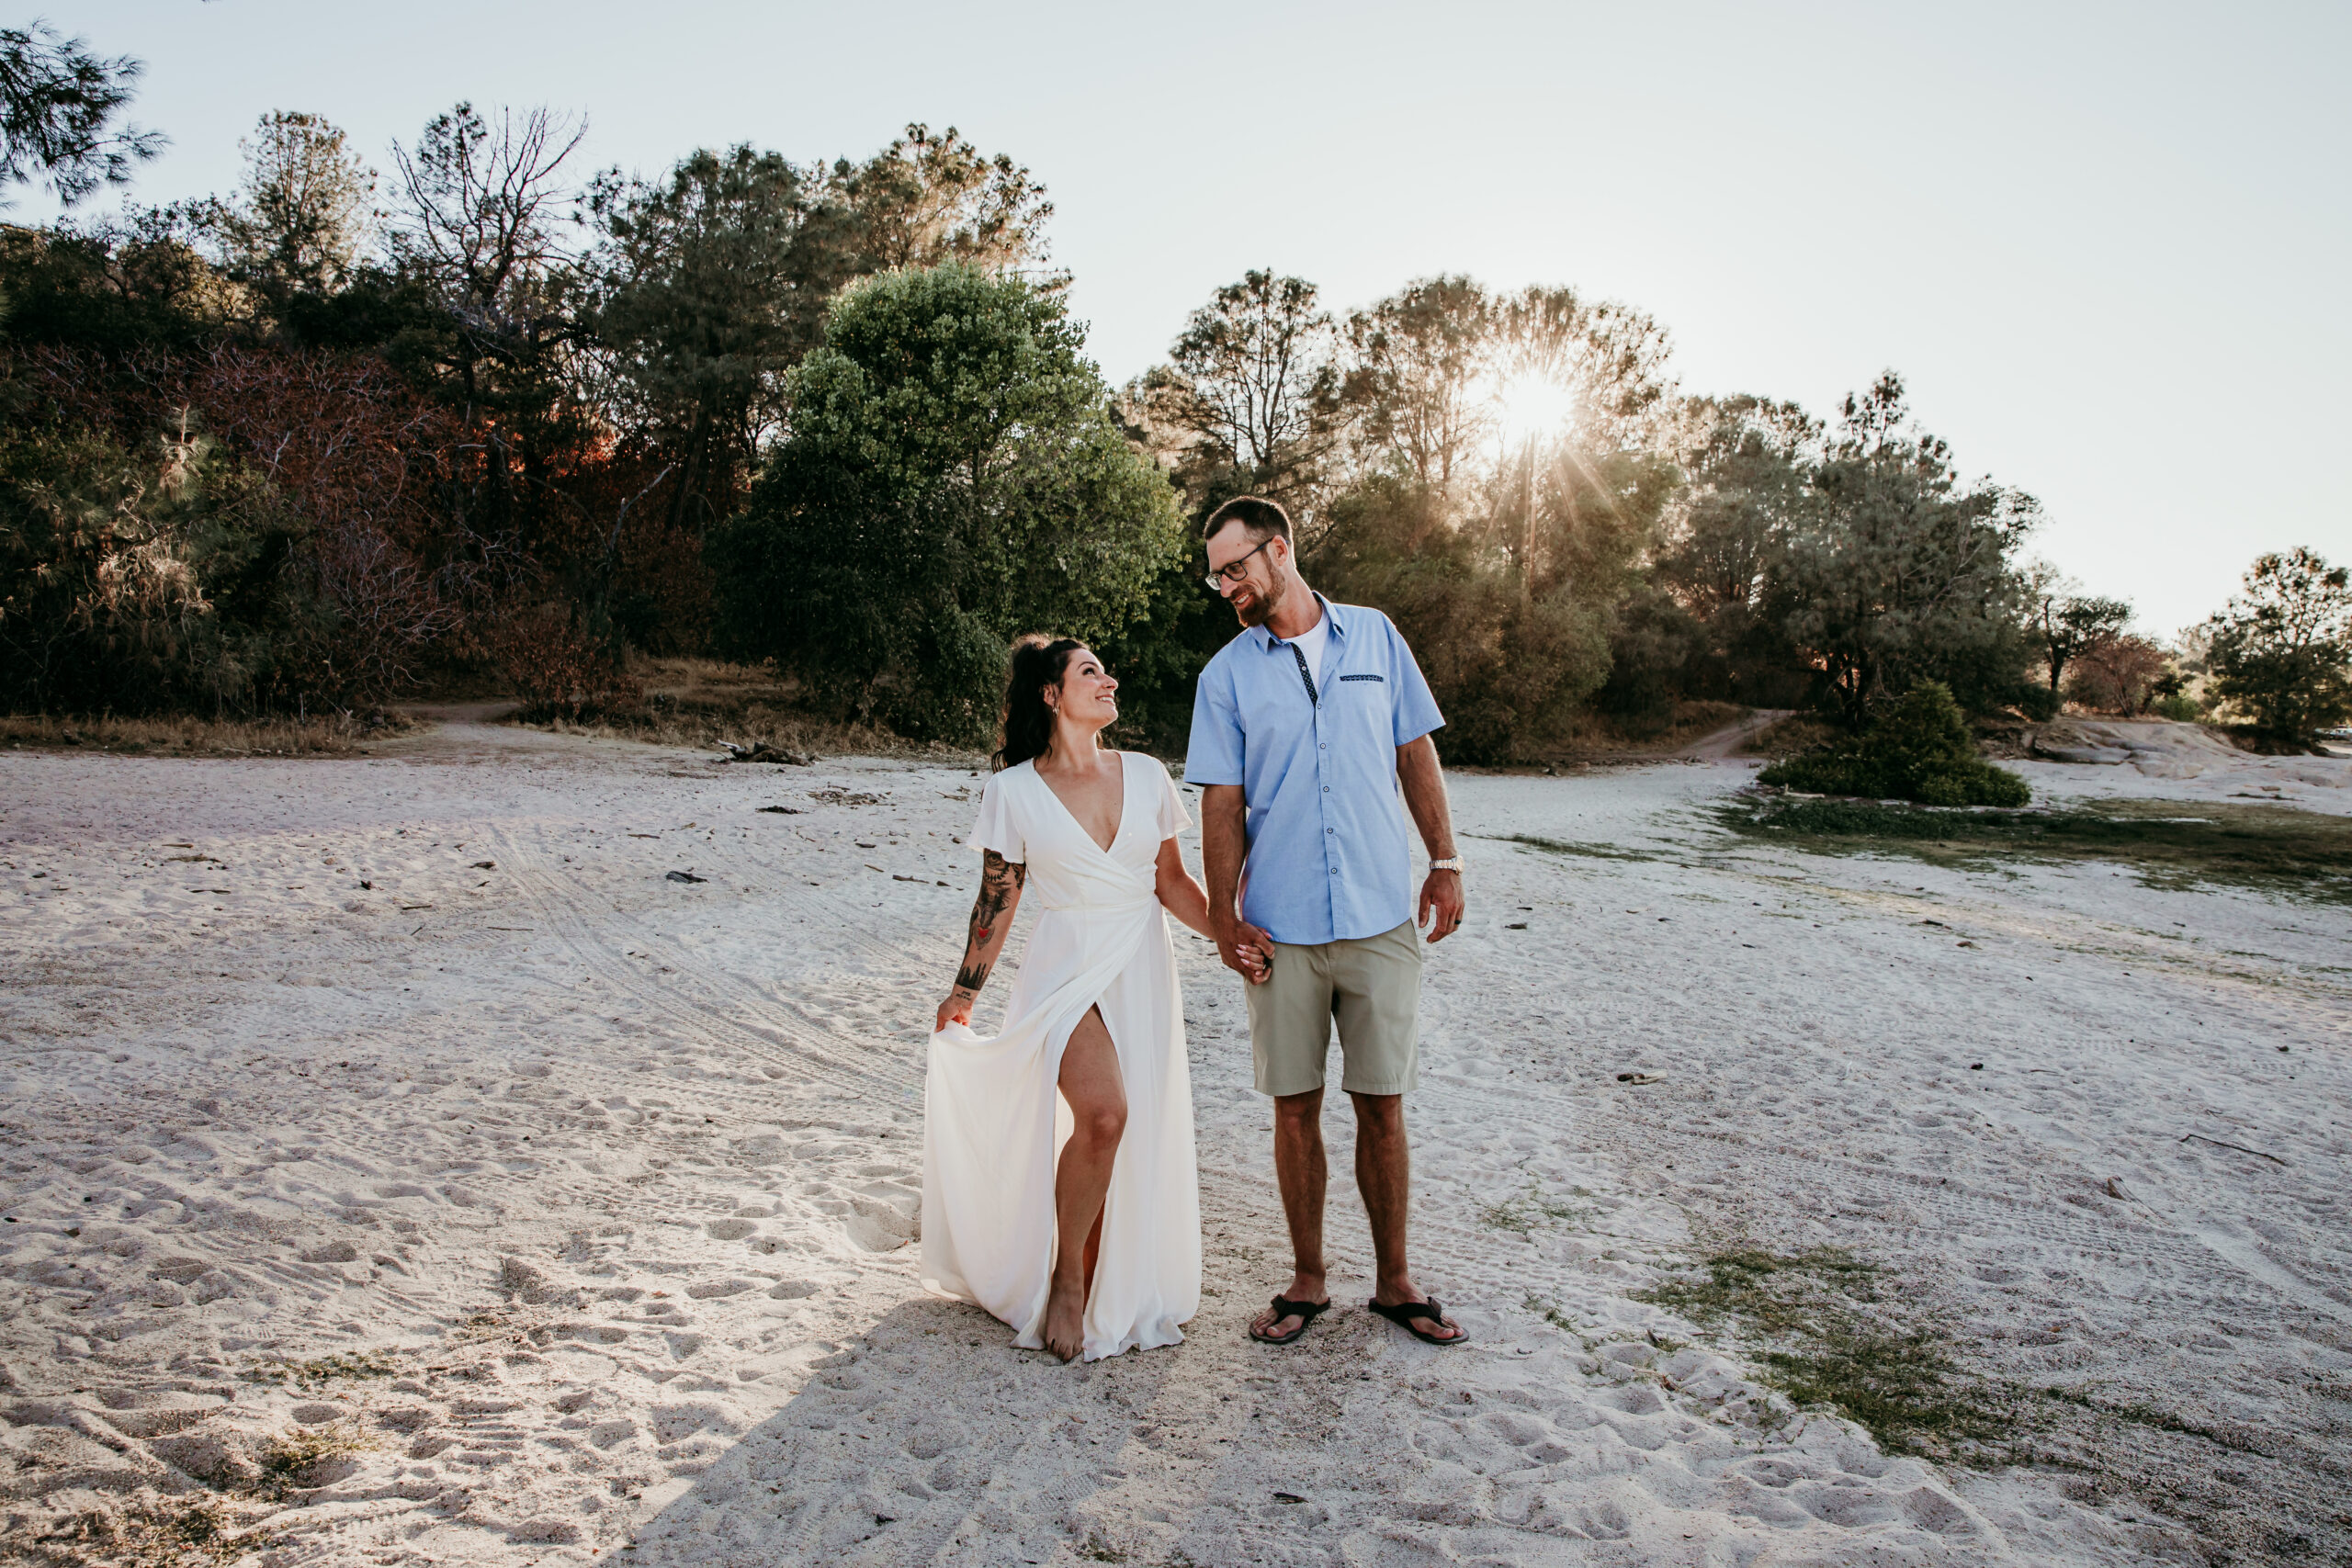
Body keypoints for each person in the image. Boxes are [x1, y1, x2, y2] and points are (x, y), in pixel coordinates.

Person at [924, 636, 1265, 1361]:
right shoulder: (1013, 791)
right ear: (1052, 695)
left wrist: (1228, 936)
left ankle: (1096, 1263)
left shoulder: (1145, 774)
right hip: (1064, 966)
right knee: (1105, 1113)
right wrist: (964, 993)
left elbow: (1171, 882)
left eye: (1106, 668)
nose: (1109, 679)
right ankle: (1069, 1278)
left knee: (1119, 1129)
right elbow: (999, 899)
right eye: (1089, 671)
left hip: (1140, 962)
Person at [1185, 496, 1470, 1348]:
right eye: (1216, 575)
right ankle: (1308, 1279)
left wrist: (1445, 861)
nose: (1226, 585)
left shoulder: (1377, 638)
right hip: (1282, 923)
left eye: (1235, 567)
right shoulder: (1224, 677)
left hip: (1382, 912)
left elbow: (1414, 751)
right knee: (1293, 1106)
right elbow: (1221, 806)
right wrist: (1224, 919)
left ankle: (1394, 1282)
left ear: (1279, 551)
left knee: (1383, 1103)